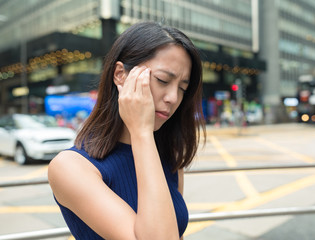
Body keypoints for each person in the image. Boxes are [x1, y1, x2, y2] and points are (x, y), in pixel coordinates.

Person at [48, 21, 206, 240]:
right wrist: (141, 132)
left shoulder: (167, 154)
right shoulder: (70, 167)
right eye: (162, 80)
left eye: (182, 88)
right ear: (120, 74)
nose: (173, 98)